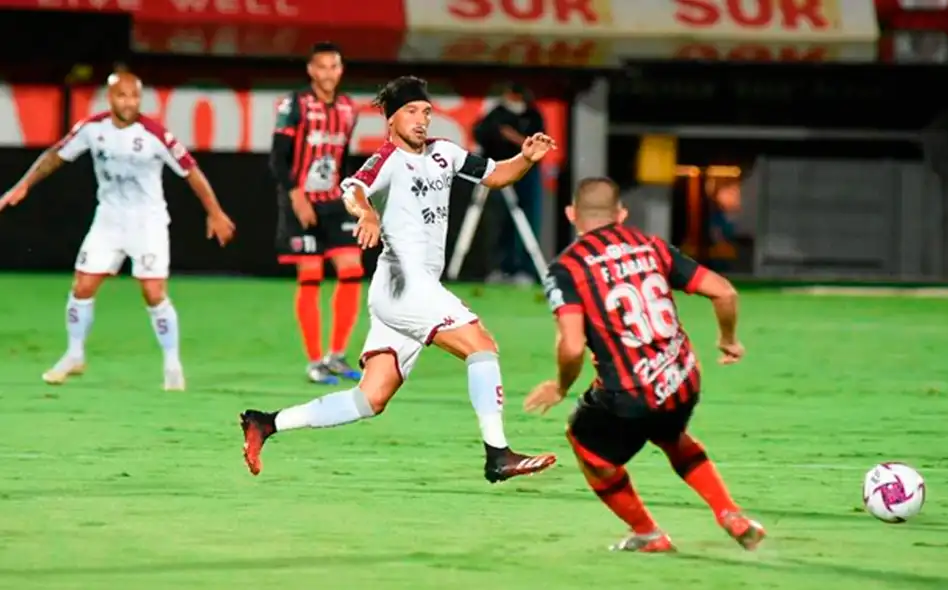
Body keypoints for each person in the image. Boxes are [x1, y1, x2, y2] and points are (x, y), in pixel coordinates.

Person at [241, 76, 558, 484]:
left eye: (426, 111)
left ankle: (266, 422)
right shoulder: (387, 159)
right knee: (482, 345)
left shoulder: (445, 152)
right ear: (391, 120)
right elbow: (352, 189)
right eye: (411, 111)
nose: (421, 119)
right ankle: (498, 453)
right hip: (405, 284)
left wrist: (526, 158)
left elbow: (496, 174)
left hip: (400, 293)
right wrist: (368, 214)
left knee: (370, 398)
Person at [524, 177, 765, 552]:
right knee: (671, 435)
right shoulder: (651, 246)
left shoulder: (567, 269)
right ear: (621, 214)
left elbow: (571, 346)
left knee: (585, 443)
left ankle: (649, 534)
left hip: (630, 393)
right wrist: (728, 340)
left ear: (572, 215)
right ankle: (730, 514)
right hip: (683, 378)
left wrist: (560, 386)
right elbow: (724, 291)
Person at [0, 69, 235, 390]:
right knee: (82, 286)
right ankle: (74, 354)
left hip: (148, 222)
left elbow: (190, 171)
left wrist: (215, 212)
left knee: (153, 292)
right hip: (109, 220)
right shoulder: (92, 129)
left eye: (134, 96)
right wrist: (23, 185)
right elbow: (55, 155)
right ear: (110, 98)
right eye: (122, 96)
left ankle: (172, 364)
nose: (129, 102)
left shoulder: (154, 134)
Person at [271, 42, 363, 385]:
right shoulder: (294, 105)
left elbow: (342, 158)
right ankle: (314, 361)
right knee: (310, 274)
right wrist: (296, 197)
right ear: (311, 71)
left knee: (351, 268)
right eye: (321, 67)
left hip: (333, 201)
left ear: (340, 71)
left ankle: (336, 355)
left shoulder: (348, 109)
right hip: (300, 201)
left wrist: (352, 196)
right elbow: (278, 156)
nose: (328, 73)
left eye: (334, 67)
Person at [473, 83, 545, 286]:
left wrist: (515, 138)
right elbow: (481, 133)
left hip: (526, 174)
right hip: (498, 171)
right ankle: (498, 268)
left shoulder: (532, 115)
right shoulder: (497, 113)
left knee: (526, 221)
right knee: (497, 221)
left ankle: (524, 269)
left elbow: (537, 145)